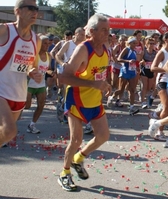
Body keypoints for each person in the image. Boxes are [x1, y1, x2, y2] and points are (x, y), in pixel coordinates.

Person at [57, 14, 112, 191]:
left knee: (103, 136)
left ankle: (78, 159)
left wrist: (105, 84)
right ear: (92, 31)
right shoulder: (83, 49)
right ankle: (65, 174)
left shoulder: (106, 48)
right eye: (104, 30)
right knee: (76, 140)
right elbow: (65, 77)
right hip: (77, 100)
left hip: (95, 100)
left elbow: (101, 72)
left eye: (109, 30)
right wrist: (93, 84)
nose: (107, 34)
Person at [0, 0, 42, 146]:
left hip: (18, 94)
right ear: (17, 11)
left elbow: (32, 64)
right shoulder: (4, 30)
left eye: (36, 9)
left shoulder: (36, 39)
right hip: (1, 90)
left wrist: (33, 72)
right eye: (30, 8)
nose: (34, 12)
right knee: (10, 130)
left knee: (5, 135)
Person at [149, 31, 168, 140]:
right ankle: (159, 132)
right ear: (165, 40)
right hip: (163, 81)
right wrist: (166, 69)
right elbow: (153, 68)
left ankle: (156, 116)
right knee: (167, 106)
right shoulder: (162, 52)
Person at [25, 35, 52, 134]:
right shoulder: (34, 55)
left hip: (41, 85)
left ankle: (32, 125)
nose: (47, 45)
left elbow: (46, 68)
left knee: (41, 105)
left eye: (48, 43)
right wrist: (30, 71)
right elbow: (27, 67)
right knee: (26, 106)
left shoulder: (49, 56)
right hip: (29, 84)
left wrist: (50, 72)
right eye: (45, 43)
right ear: (39, 44)